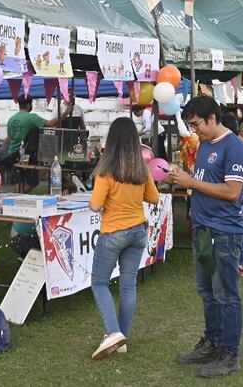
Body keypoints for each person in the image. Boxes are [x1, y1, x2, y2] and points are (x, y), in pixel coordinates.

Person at [168, 95, 243, 378]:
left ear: (212, 118)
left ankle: (229, 353)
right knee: (207, 291)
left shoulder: (234, 147)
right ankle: (212, 343)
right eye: (190, 125)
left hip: (224, 233)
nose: (194, 130)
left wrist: (191, 182)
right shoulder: (204, 145)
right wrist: (184, 176)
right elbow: (204, 181)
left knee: (226, 293)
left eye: (196, 124)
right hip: (202, 229)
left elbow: (231, 192)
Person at [88, 117, 159, 360]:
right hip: (138, 230)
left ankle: (113, 332)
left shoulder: (105, 170)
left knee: (99, 282)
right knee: (128, 285)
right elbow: (154, 198)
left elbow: (95, 205)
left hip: (114, 232)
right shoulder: (141, 169)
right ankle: (121, 338)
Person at [3, 95, 72, 192]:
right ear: (28, 105)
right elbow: (49, 124)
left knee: (19, 179)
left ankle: (18, 195)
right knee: (33, 182)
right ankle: (22, 195)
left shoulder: (11, 119)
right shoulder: (31, 117)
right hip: (27, 155)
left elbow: (9, 138)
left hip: (13, 153)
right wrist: (65, 113)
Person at [221, 110, 243, 278]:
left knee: (230, 225)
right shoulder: (241, 142)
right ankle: (242, 265)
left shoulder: (227, 144)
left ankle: (233, 263)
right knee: (242, 225)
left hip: (233, 188)